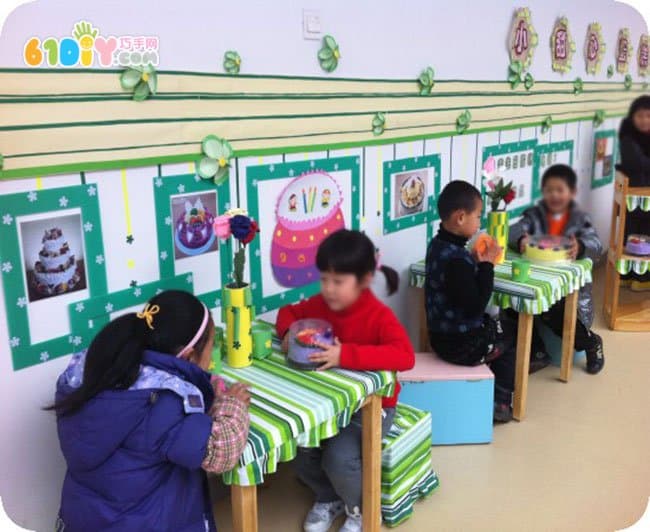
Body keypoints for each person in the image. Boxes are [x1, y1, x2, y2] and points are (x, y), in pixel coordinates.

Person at [49, 290, 250, 532]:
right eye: (211, 345)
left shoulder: (101, 370)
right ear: (189, 356)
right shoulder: (165, 403)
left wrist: (202, 388)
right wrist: (232, 404)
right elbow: (223, 451)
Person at [276, 229, 414, 532]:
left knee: (338, 459)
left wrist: (345, 355)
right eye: (324, 279)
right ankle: (329, 497)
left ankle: (362, 510)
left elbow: (405, 356)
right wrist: (287, 332)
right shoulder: (320, 304)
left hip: (373, 408)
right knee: (301, 446)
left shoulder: (378, 316)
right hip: (328, 402)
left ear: (364, 280)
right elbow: (288, 312)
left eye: (338, 282)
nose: (328, 289)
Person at [425, 180, 516, 423]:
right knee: (510, 334)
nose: (479, 223)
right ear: (461, 218)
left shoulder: (438, 245)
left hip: (439, 337)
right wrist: (487, 265)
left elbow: (457, 286)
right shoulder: (457, 260)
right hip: (462, 347)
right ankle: (501, 402)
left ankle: (490, 387)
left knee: (497, 324)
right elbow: (476, 306)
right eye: (477, 216)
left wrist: (474, 262)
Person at [510, 164, 605, 374]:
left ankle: (591, 343)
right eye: (549, 190)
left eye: (560, 190)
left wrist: (581, 247)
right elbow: (513, 230)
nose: (554, 195)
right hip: (538, 281)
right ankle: (537, 351)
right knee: (513, 302)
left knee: (555, 312)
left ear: (572, 192)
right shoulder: (535, 216)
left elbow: (597, 245)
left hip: (569, 291)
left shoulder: (580, 220)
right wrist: (521, 239)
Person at [618, 95, 650, 290]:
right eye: (640, 115)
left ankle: (642, 279)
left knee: (646, 237)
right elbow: (635, 163)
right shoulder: (628, 136)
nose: (644, 120)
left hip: (647, 197)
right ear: (632, 117)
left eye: (648, 115)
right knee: (630, 235)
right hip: (634, 197)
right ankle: (625, 276)